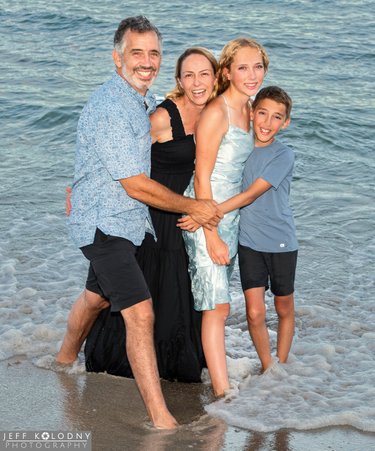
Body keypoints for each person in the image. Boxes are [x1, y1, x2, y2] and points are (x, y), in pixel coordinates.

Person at [56, 16, 222, 430]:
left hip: (127, 223)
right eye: (137, 53)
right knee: (140, 313)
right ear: (117, 58)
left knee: (96, 298)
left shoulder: (140, 102)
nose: (146, 61)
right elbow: (134, 184)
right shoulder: (114, 105)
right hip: (104, 223)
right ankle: (161, 417)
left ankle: (61, 360)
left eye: (153, 53)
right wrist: (195, 207)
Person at [83, 47, 219, 382]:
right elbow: (120, 157)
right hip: (152, 214)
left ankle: (176, 365)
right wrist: (85, 187)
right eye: (189, 75)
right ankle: (122, 364)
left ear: (217, 78)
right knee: (126, 296)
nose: (197, 82)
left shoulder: (218, 113)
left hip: (184, 213)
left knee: (176, 293)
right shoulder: (161, 118)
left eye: (204, 74)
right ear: (179, 80)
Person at [182, 86, 297, 373]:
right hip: (248, 242)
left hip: (281, 241)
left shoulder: (283, 155)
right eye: (262, 114)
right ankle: (268, 366)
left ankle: (282, 363)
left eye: (276, 118)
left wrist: (204, 213)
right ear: (251, 113)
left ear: (285, 123)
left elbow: (250, 195)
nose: (267, 123)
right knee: (255, 313)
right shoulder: (243, 147)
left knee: (283, 307)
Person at [181, 38, 269, 397]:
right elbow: (201, 176)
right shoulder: (217, 112)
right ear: (228, 72)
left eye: (258, 67)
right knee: (217, 306)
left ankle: (215, 377)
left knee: (216, 302)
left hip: (229, 215)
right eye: (243, 67)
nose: (251, 75)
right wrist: (210, 233)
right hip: (207, 214)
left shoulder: (249, 109)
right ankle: (222, 392)